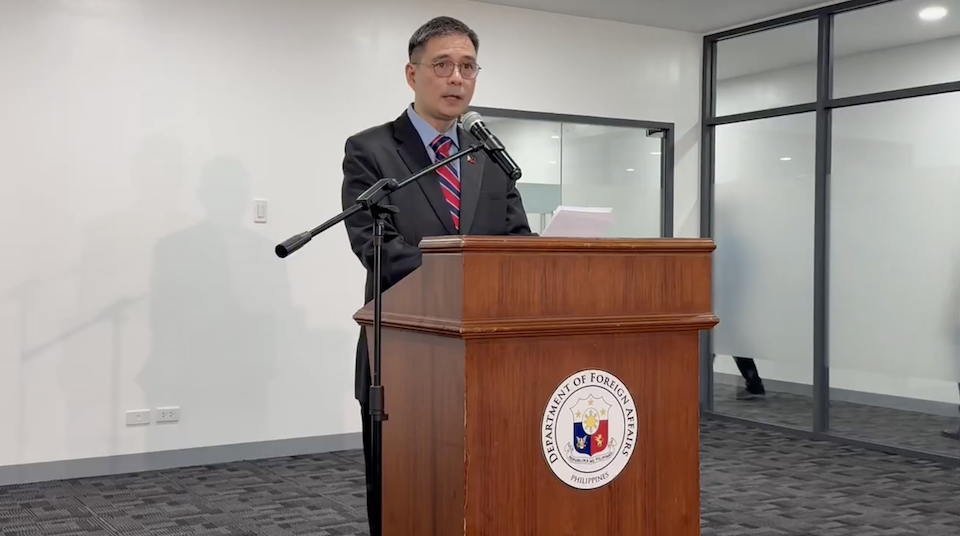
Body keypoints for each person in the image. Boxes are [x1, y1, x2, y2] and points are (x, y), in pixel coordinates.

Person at [339, 16, 533, 536]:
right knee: (405, 492)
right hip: (404, 358)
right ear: (412, 73)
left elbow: (518, 241)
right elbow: (376, 250)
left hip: (488, 355)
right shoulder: (371, 149)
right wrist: (466, 271)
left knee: (486, 488)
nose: (457, 77)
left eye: (468, 67)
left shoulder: (488, 157)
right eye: (442, 64)